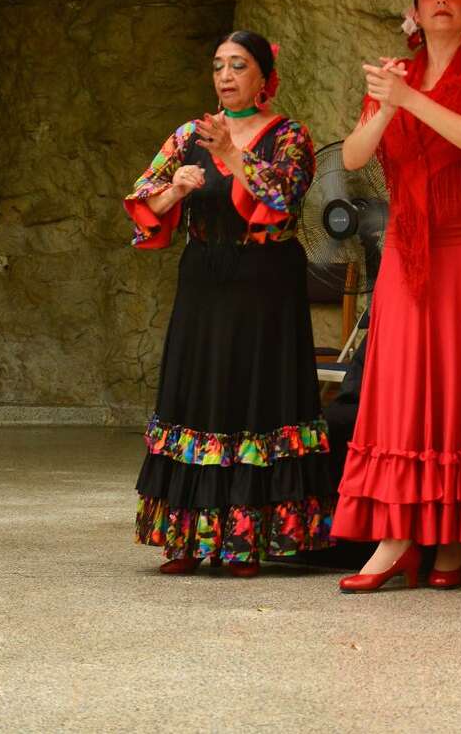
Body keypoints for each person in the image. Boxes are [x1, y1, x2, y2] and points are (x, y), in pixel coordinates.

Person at [333, 0, 461, 591]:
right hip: (410, 243)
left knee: (460, 380)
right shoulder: (396, 73)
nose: (441, 1)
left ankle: (450, 538)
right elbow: (354, 157)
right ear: (414, 13)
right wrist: (390, 103)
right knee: (405, 380)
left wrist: (410, 100)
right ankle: (400, 534)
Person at [125, 30, 336, 575]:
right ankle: (189, 540)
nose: (225, 76)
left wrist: (233, 157)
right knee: (197, 395)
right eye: (218, 65)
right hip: (204, 278)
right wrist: (177, 190)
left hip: (263, 283)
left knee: (253, 400)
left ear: (263, 78)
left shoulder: (290, 135)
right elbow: (145, 200)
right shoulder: (188, 135)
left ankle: (247, 540)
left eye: (238, 66)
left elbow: (286, 194)